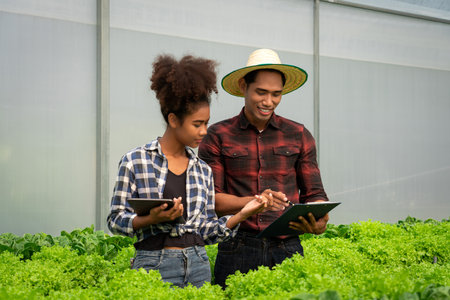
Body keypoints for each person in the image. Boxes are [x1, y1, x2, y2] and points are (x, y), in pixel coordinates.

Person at [107, 54, 269, 288]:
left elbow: (206, 230)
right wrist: (150, 219)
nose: (204, 131)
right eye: (197, 124)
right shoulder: (135, 161)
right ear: (173, 120)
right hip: (153, 264)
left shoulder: (202, 169)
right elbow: (115, 220)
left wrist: (243, 213)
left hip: (198, 264)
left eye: (207, 123)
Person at [198, 48, 329, 288]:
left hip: (287, 247)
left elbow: (315, 194)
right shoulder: (217, 135)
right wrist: (257, 202)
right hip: (237, 247)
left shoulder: (299, 134)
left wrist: (319, 218)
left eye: (276, 94)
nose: (269, 102)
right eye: (261, 92)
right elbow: (211, 201)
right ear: (243, 87)